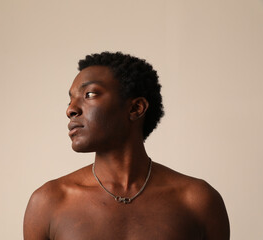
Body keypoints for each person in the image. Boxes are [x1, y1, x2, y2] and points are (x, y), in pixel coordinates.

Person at [23, 52, 230, 239]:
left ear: (136, 108)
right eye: (70, 100)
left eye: (90, 94)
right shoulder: (49, 202)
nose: (71, 109)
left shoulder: (198, 201)